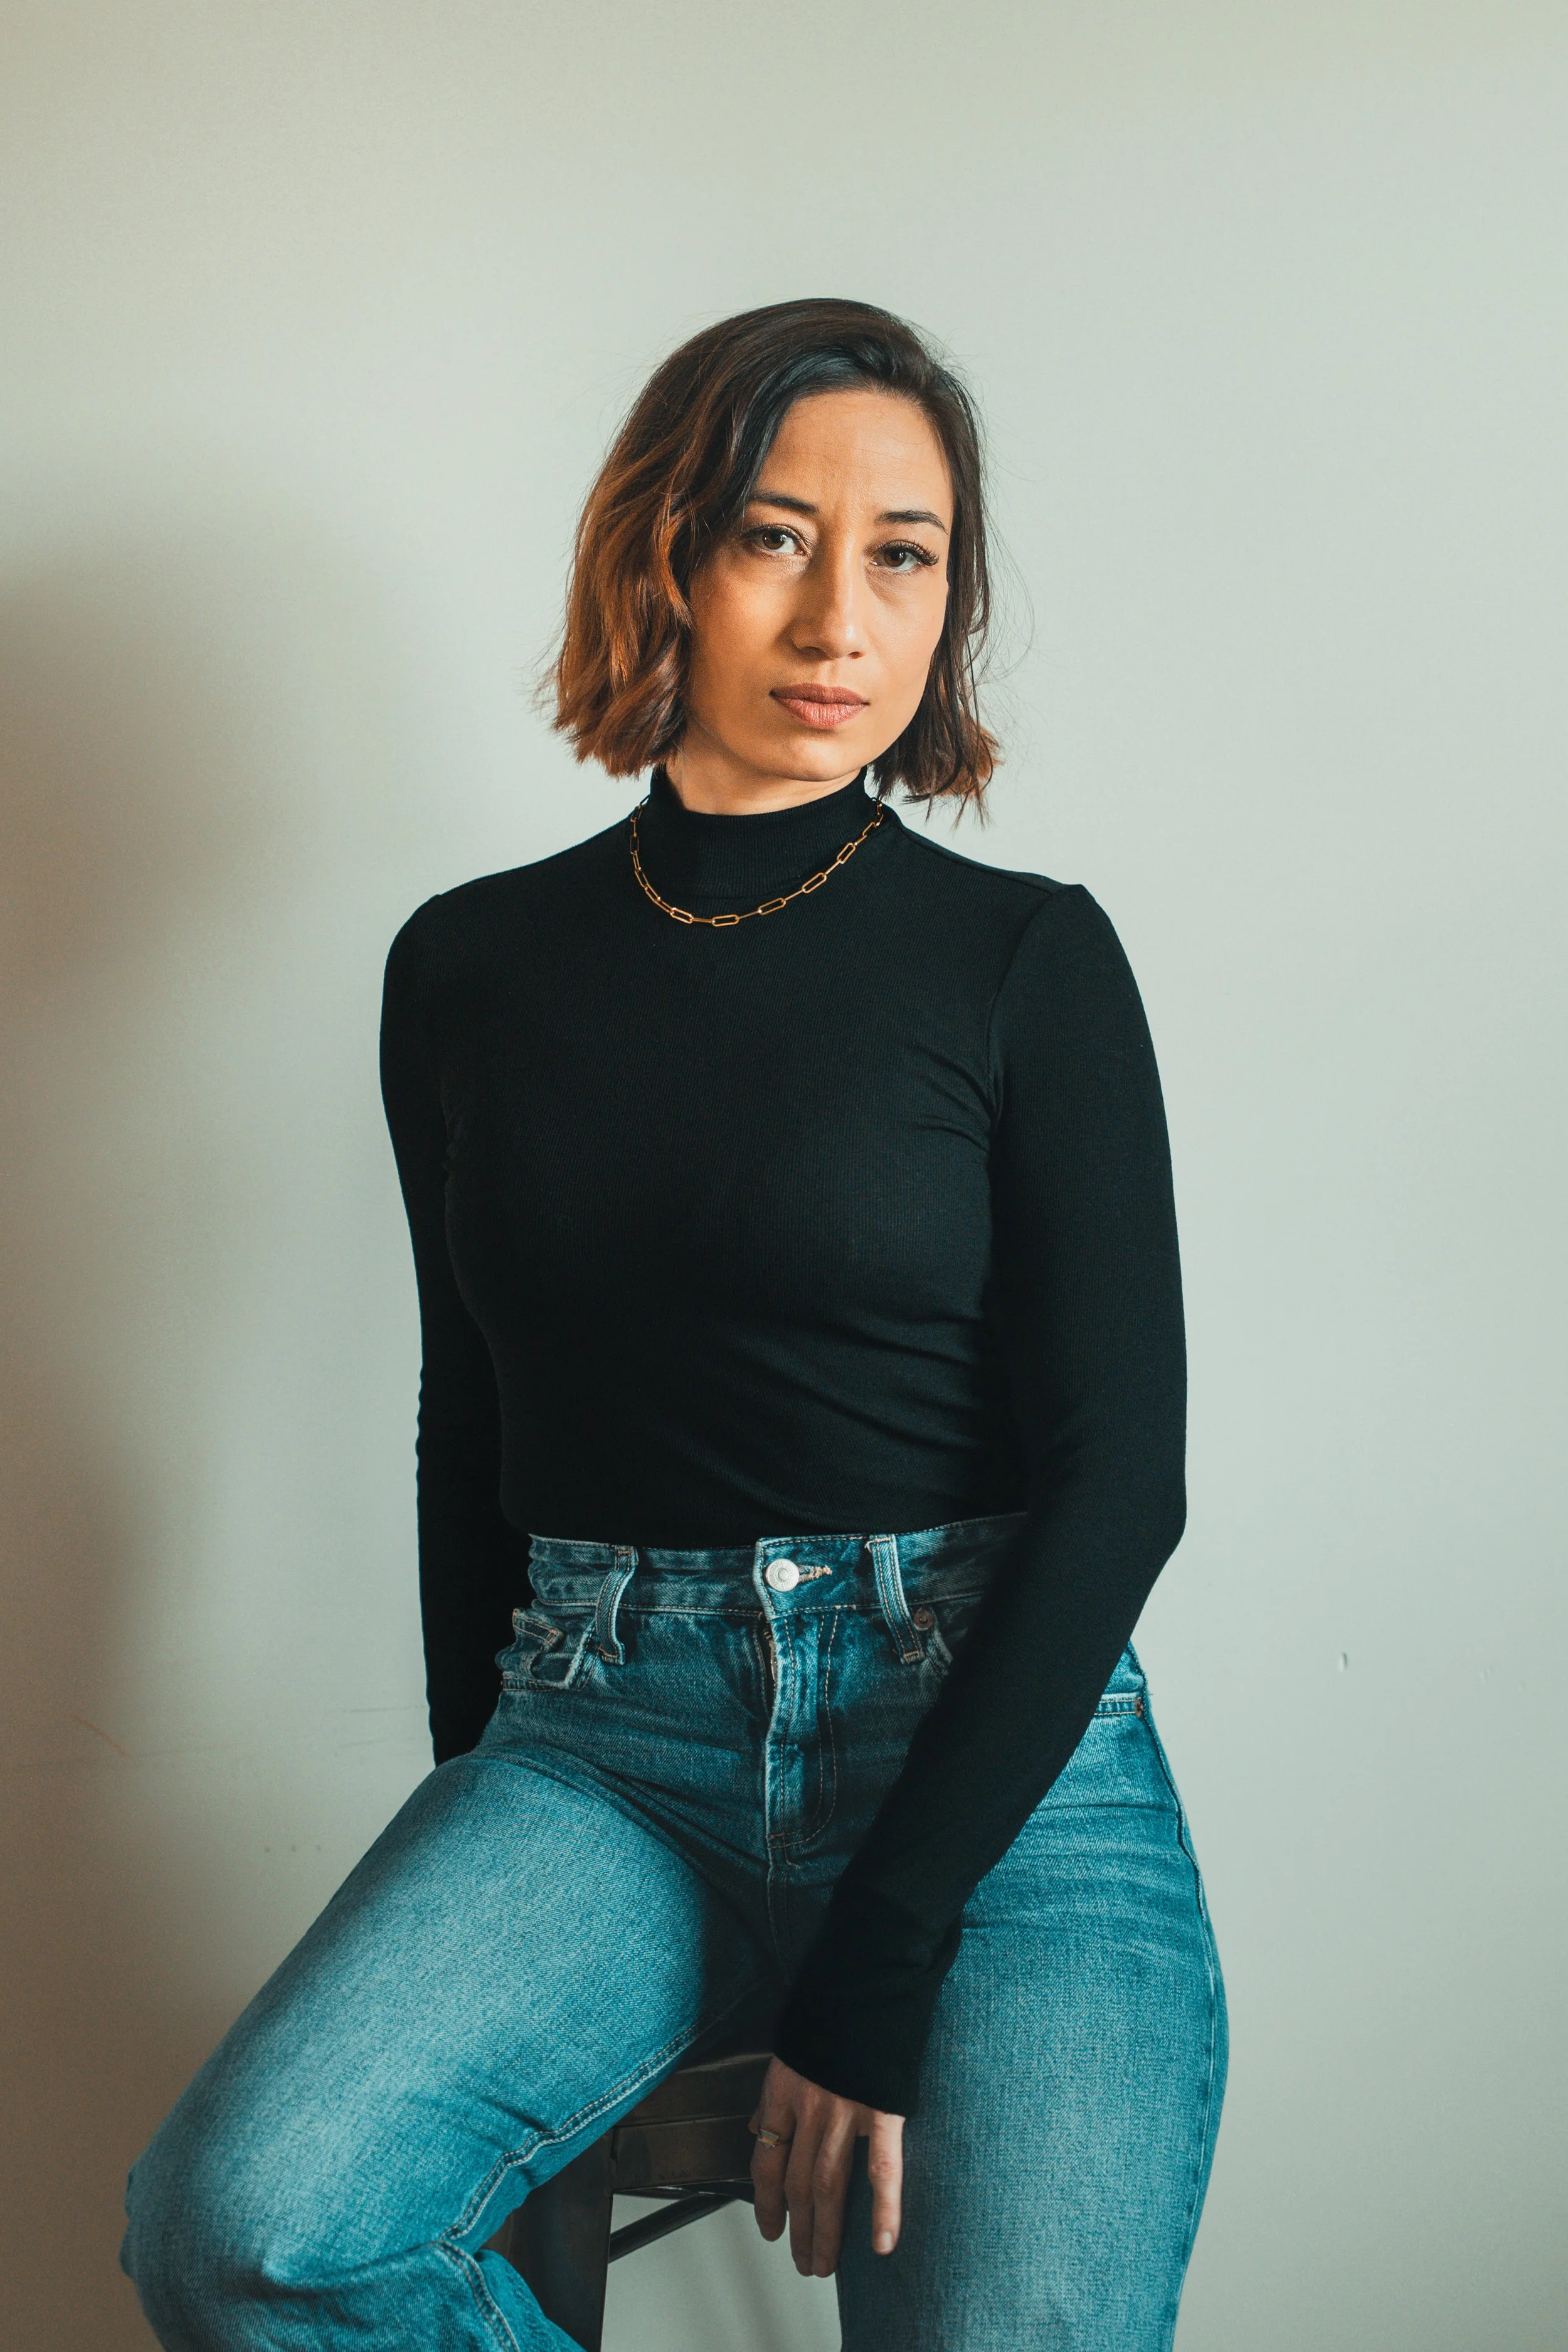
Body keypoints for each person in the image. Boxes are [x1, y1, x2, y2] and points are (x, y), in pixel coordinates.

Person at [122, 297, 1227, 2351]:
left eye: (903, 551)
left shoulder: (1026, 963)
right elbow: (481, 1420)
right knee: (241, 2225)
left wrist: (880, 1961)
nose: (840, 614)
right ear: (664, 556)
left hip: (995, 1763)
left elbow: (1119, 1481)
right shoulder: (465, 969)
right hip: (604, 1749)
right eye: (773, 533)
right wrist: (472, 1862)